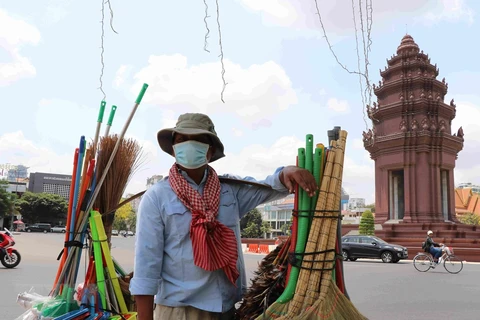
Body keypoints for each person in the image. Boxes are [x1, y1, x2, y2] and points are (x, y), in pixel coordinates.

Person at [129, 113, 318, 320]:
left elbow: (269, 186)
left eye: (198, 140)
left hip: (225, 308)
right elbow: (146, 268)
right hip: (179, 310)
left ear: (210, 151)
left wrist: (287, 172)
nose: (189, 145)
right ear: (173, 150)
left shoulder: (229, 190)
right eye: (182, 140)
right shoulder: (157, 197)